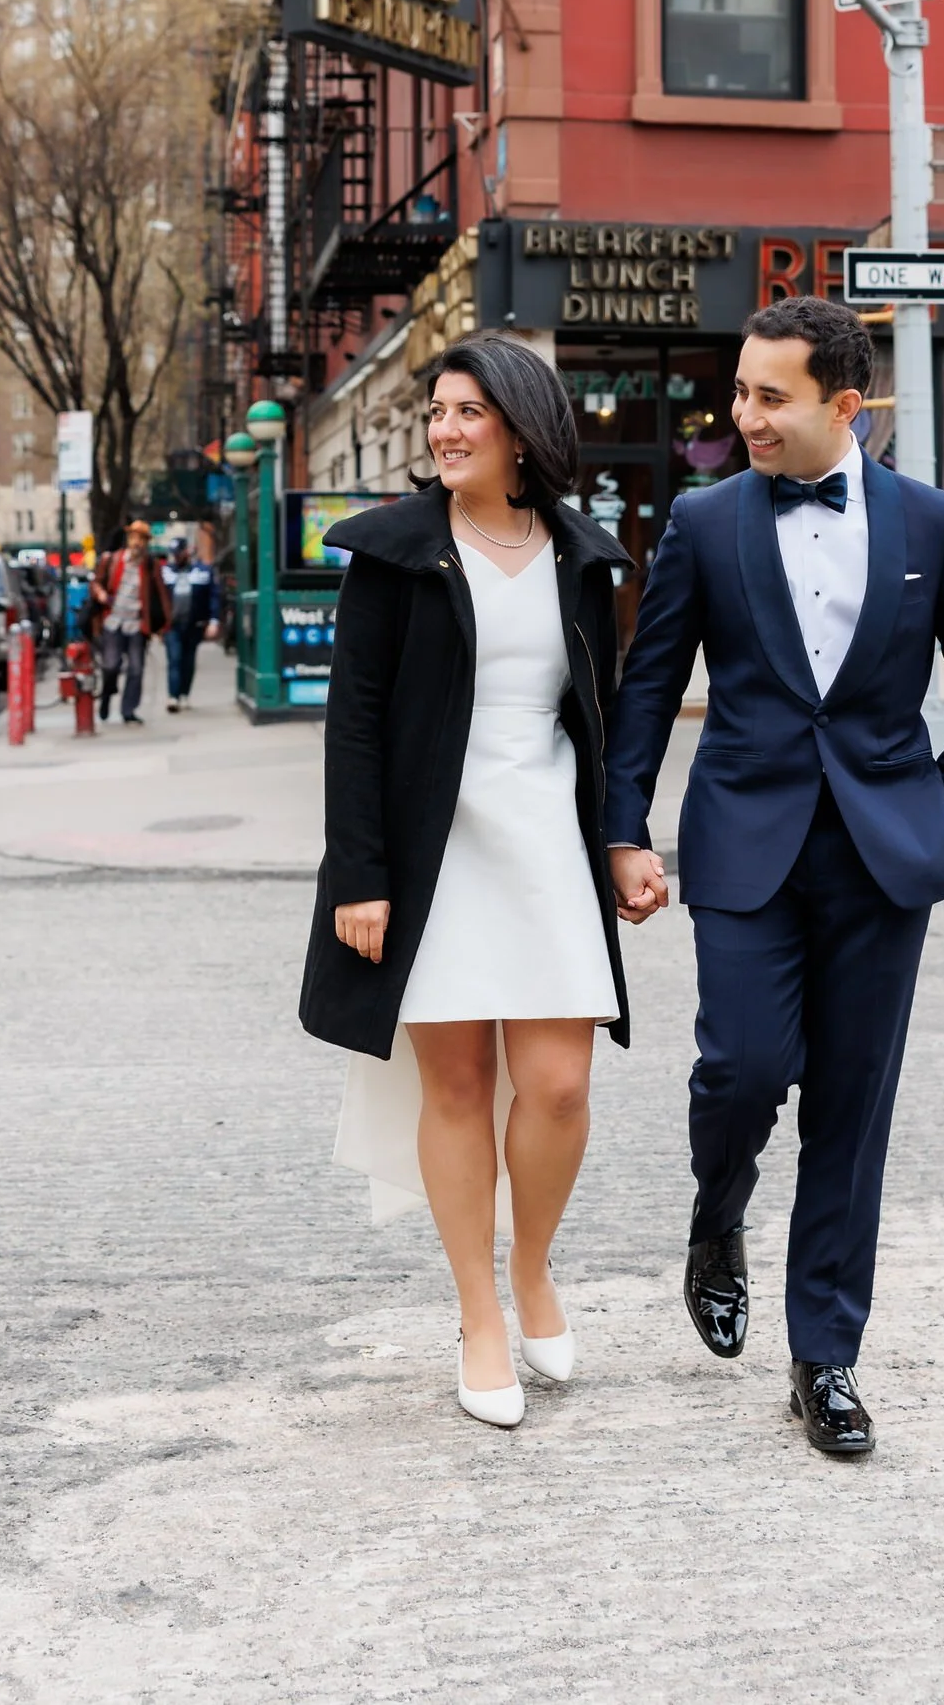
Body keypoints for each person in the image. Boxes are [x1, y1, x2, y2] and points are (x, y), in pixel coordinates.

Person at [605, 296, 944, 1458]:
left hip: (887, 854)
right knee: (739, 1068)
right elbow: (647, 687)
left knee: (851, 1107)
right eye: (738, 391)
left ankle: (824, 1355)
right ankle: (716, 1214)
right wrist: (624, 829)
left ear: (845, 405)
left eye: (768, 396)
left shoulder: (934, 523)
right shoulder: (703, 519)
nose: (742, 414)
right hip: (744, 841)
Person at [298, 333, 660, 1430]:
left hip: (545, 839)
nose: (445, 430)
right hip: (428, 847)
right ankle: (478, 1312)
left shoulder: (580, 557)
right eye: (438, 412)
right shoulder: (395, 551)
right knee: (455, 1086)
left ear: (520, 428)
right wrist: (359, 873)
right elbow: (353, 722)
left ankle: (534, 1266)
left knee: (557, 1085)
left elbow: (591, 720)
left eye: (467, 412)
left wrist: (618, 841)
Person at [92, 519, 169, 724]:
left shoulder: (150, 566)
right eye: (134, 538)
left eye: (142, 539)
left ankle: (128, 710)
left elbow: (161, 595)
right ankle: (107, 696)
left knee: (136, 668)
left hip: (136, 624)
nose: (138, 543)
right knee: (111, 665)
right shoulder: (112, 560)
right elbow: (96, 583)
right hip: (113, 621)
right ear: (128, 539)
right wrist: (100, 594)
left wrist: (163, 625)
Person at [161, 534, 220, 711]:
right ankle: (173, 696)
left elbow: (213, 597)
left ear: (187, 552)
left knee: (188, 660)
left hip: (195, 622)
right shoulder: (165, 572)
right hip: (172, 624)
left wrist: (214, 620)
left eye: (179, 553)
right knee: (175, 658)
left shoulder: (202, 571)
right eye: (174, 554)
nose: (177, 557)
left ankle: (184, 694)